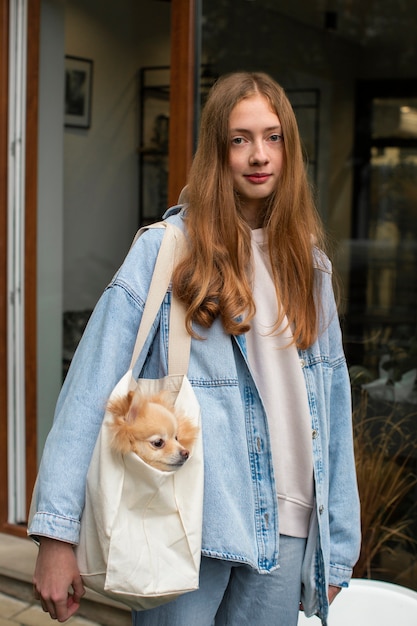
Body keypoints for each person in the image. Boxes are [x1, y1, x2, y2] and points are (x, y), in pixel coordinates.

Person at [29, 72, 361, 625]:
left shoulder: (312, 268)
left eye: (273, 137)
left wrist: (338, 548)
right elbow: (91, 391)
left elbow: (333, 409)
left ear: (290, 147)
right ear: (217, 150)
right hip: (187, 521)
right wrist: (55, 536)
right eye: (240, 139)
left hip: (289, 534)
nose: (259, 155)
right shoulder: (166, 252)